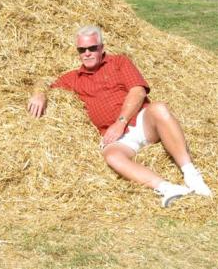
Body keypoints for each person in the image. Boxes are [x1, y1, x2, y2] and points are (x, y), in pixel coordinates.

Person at [27, 25, 212, 207]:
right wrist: (39, 93)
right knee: (112, 157)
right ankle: (167, 188)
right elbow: (45, 82)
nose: (87, 53)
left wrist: (120, 122)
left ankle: (191, 175)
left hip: (140, 123)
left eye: (92, 48)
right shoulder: (74, 78)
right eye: (82, 50)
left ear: (101, 48)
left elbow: (138, 91)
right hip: (116, 138)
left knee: (160, 108)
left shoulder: (119, 62)